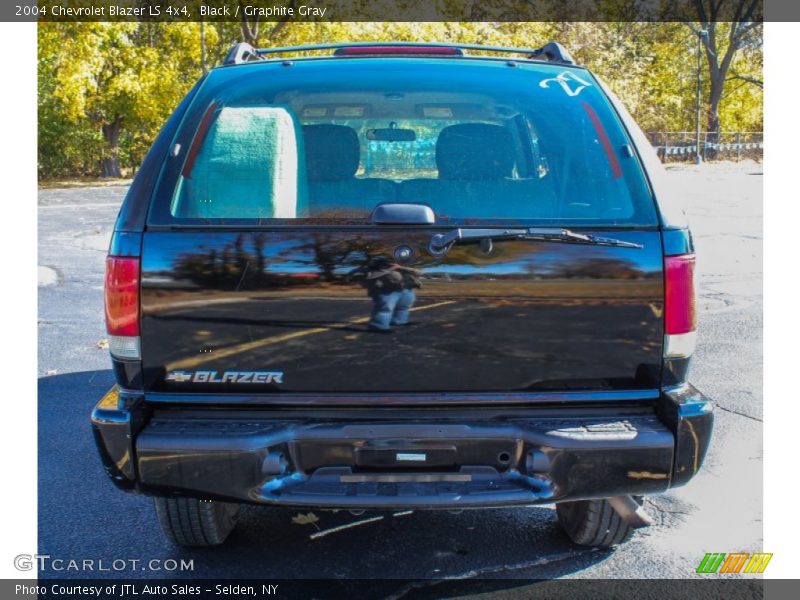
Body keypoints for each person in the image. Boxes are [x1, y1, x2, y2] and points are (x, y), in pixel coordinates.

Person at [352, 257, 422, 333]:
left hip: (405, 289)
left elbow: (418, 272)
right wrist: (380, 268)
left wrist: (400, 267)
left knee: (403, 306)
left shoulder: (400, 269)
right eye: (386, 263)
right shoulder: (372, 271)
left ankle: (399, 321)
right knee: (385, 308)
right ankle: (378, 326)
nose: (389, 264)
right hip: (385, 291)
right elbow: (359, 276)